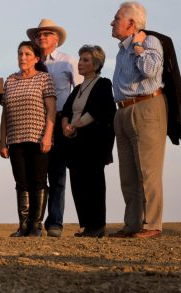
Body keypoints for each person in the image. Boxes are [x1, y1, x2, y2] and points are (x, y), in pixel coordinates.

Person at [109, 2, 168, 239]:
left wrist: (137, 46)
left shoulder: (148, 41)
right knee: (128, 173)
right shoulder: (121, 50)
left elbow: (151, 70)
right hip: (123, 110)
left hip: (145, 107)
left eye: (116, 19)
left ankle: (152, 224)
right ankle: (132, 224)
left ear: (131, 23)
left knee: (147, 170)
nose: (111, 23)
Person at [27, 19, 82, 237]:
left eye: (47, 34)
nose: (42, 38)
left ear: (56, 39)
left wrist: (71, 122)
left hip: (59, 120)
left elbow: (78, 91)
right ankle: (32, 223)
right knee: (36, 174)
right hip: (35, 120)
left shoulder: (68, 61)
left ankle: (56, 222)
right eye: (39, 35)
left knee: (57, 174)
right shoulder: (31, 63)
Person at [0, 41, 56, 237]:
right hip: (15, 139)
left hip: (38, 137)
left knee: (38, 181)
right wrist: (2, 141)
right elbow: (5, 113)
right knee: (21, 182)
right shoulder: (10, 81)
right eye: (20, 54)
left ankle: (36, 226)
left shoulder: (44, 79)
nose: (23, 58)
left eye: (27, 54)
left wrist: (48, 136)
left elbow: (51, 111)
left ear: (36, 59)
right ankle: (23, 225)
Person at [60, 45, 116, 238]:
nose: (80, 63)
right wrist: (66, 125)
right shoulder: (77, 88)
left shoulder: (103, 84)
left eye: (85, 60)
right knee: (78, 183)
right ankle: (86, 225)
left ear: (96, 64)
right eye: (80, 59)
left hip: (93, 143)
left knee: (94, 183)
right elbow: (67, 110)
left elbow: (99, 111)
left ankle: (97, 224)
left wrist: (76, 126)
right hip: (75, 143)